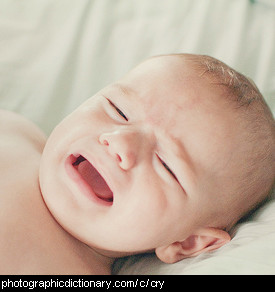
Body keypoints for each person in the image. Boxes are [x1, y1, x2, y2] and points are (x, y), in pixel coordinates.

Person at [0, 54, 274, 274]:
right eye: (117, 110)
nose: (121, 143)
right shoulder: (18, 132)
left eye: (166, 164)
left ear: (187, 242)